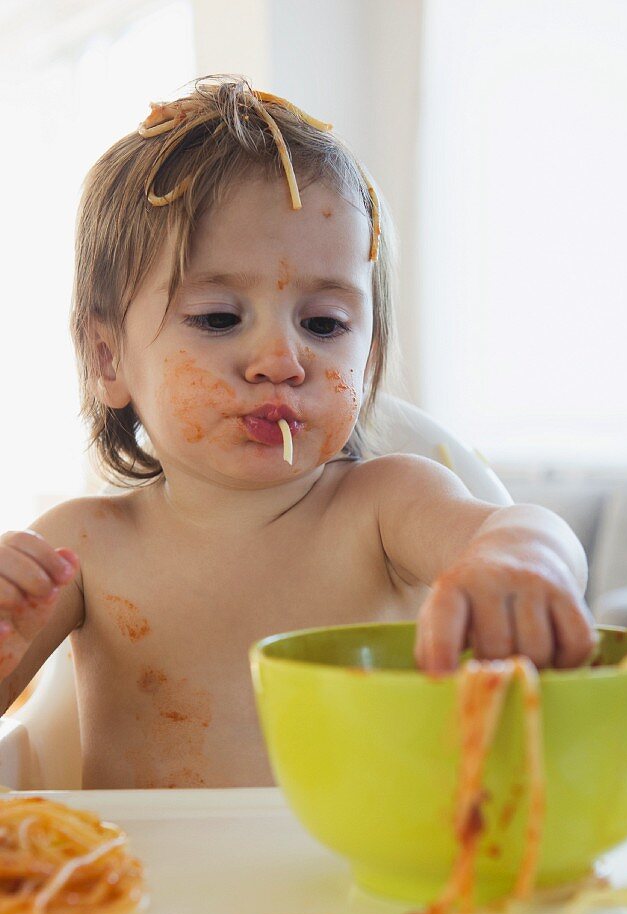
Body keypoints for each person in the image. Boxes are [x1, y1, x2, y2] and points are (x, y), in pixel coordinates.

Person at [0, 76, 595, 788]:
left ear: (368, 355)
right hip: (146, 894)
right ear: (107, 359)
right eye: (218, 318)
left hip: (365, 891)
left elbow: (516, 527)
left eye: (324, 324)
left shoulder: (385, 506)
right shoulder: (84, 547)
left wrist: (523, 560)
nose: (281, 362)